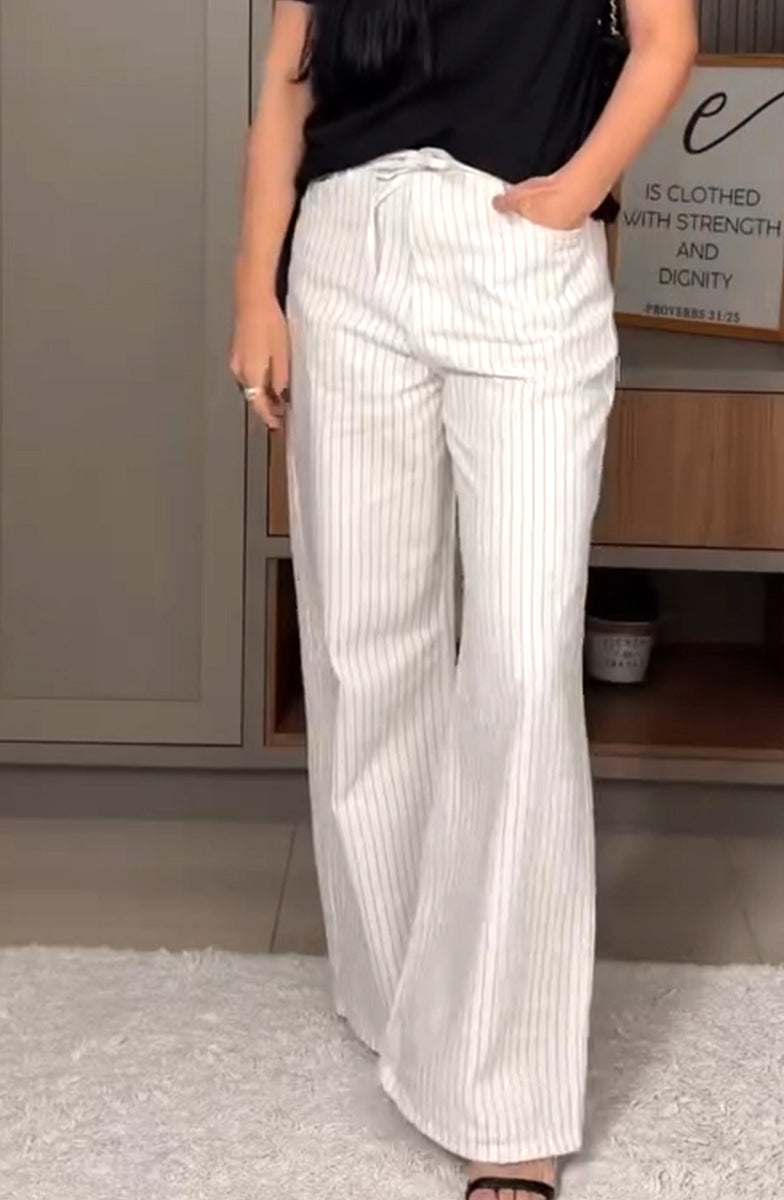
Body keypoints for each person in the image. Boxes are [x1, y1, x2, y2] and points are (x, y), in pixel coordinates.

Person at [230, 1, 697, 1196]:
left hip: (518, 244)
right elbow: (288, 80)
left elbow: (667, 40)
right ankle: (412, 1011)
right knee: (364, 649)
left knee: (524, 663)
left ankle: (509, 1096)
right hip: (346, 248)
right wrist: (254, 292)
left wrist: (576, 193)